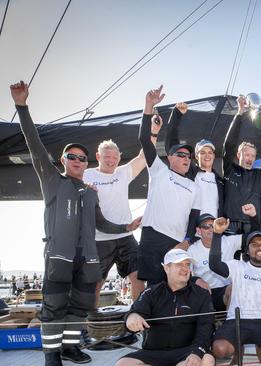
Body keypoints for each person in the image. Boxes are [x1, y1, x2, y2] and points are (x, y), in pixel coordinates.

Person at [11, 81, 140, 366]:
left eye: (82, 158)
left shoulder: (89, 192)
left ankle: (70, 347)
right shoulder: (53, 181)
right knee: (54, 306)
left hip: (89, 259)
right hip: (59, 257)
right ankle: (51, 355)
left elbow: (103, 224)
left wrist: (127, 229)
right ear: (64, 160)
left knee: (81, 306)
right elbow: (34, 146)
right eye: (72, 157)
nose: (78, 160)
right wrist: (22, 107)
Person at [138, 85, 202, 284]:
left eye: (189, 156)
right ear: (170, 158)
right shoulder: (159, 170)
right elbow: (144, 139)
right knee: (153, 287)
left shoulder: (194, 186)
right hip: (152, 237)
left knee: (177, 286)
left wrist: (187, 241)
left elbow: (194, 218)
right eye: (180, 154)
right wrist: (148, 106)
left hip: (177, 242)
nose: (186, 158)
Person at [209, 219, 261, 364]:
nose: (259, 247)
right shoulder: (237, 266)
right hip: (237, 321)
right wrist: (217, 234)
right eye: (254, 245)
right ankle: (238, 347)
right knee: (219, 350)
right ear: (247, 251)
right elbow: (215, 265)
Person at [117, 249, 215, 366]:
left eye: (187, 264)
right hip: (153, 352)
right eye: (179, 264)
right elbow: (135, 311)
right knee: (123, 363)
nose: (185, 269)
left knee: (206, 360)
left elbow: (206, 327)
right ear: (166, 268)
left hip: (187, 351)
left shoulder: (201, 294)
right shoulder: (151, 292)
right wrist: (132, 317)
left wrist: (197, 352)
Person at [83, 139, 148, 306]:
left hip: (126, 236)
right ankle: (92, 322)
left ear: (119, 158)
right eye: (107, 157)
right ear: (98, 156)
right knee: (96, 283)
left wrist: (152, 130)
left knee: (138, 276)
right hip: (99, 239)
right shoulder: (86, 174)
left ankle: (138, 314)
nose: (111, 160)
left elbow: (143, 155)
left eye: (115, 157)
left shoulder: (123, 173)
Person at [222, 94, 261, 236]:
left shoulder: (260, 173)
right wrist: (240, 113)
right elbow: (229, 144)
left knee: (253, 259)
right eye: (247, 154)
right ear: (239, 155)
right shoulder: (230, 169)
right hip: (230, 226)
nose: (250, 158)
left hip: (253, 225)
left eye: (253, 156)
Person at [165, 102, 224, 218]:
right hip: (191, 230)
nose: (207, 155)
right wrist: (177, 115)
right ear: (196, 156)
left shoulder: (220, 181)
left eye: (210, 152)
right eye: (202, 152)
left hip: (213, 232)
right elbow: (172, 145)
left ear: (213, 155)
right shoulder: (190, 171)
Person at [187, 212, 242, 314]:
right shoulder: (192, 250)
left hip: (225, 291)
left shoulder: (228, 241)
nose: (211, 229)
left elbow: (251, 239)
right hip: (204, 293)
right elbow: (186, 275)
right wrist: (196, 280)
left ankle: (230, 325)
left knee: (234, 289)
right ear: (198, 231)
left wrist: (253, 217)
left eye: (213, 225)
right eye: (206, 227)